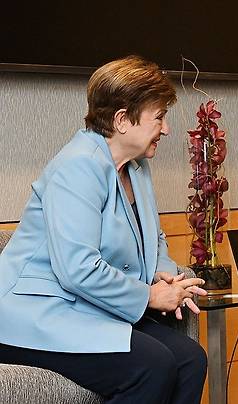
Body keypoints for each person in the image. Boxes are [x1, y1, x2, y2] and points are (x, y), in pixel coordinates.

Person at [0, 56, 208, 404]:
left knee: (190, 359)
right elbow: (77, 268)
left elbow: (153, 241)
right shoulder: (77, 168)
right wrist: (150, 297)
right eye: (159, 117)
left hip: (86, 309)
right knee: (152, 365)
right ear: (122, 120)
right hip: (35, 315)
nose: (167, 129)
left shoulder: (136, 167)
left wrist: (167, 278)